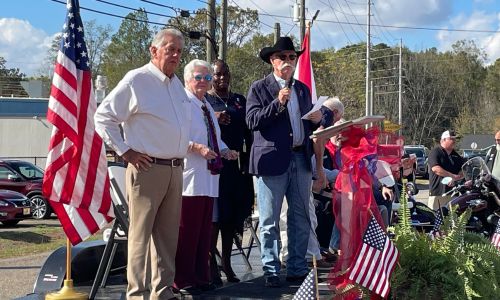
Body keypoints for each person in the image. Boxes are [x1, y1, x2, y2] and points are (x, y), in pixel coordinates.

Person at [94, 28, 188, 300]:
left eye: (179, 51)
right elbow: (103, 118)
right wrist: (126, 152)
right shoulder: (137, 80)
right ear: (154, 50)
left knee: (168, 238)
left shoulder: (176, 84)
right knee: (140, 237)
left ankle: (163, 291)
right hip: (147, 169)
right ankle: (137, 294)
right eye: (170, 49)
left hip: (174, 168)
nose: (175, 55)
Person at [246, 36, 322, 287]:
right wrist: (277, 103)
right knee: (269, 220)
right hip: (271, 162)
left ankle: (297, 267)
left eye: (292, 57)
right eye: (283, 57)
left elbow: (308, 122)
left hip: (300, 157)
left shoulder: (302, 89)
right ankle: (270, 269)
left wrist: (319, 117)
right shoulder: (259, 88)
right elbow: (253, 121)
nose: (288, 61)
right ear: (272, 60)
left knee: (300, 217)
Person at [173, 59, 238, 294]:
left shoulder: (206, 106)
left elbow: (214, 137)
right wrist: (197, 148)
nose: (203, 82)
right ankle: (183, 278)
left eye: (207, 78)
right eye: (198, 77)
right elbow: (176, 136)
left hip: (209, 177)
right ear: (188, 79)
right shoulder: (182, 103)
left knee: (204, 231)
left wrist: (224, 150)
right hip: (190, 177)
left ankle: (202, 276)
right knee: (187, 231)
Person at [206, 59, 254, 285]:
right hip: (214, 166)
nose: (222, 78)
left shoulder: (239, 101)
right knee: (216, 218)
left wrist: (248, 161)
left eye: (225, 74)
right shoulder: (205, 100)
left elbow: (249, 133)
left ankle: (227, 263)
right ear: (211, 77)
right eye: (217, 75)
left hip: (236, 165)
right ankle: (211, 266)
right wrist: (214, 117)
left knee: (231, 218)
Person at [428, 130, 465, 210]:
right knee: (436, 218)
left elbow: (463, 169)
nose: (454, 141)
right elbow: (436, 169)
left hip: (453, 193)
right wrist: (452, 176)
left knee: (452, 219)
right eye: (451, 139)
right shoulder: (435, 152)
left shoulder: (456, 155)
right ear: (444, 140)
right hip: (438, 193)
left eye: (455, 139)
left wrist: (457, 177)